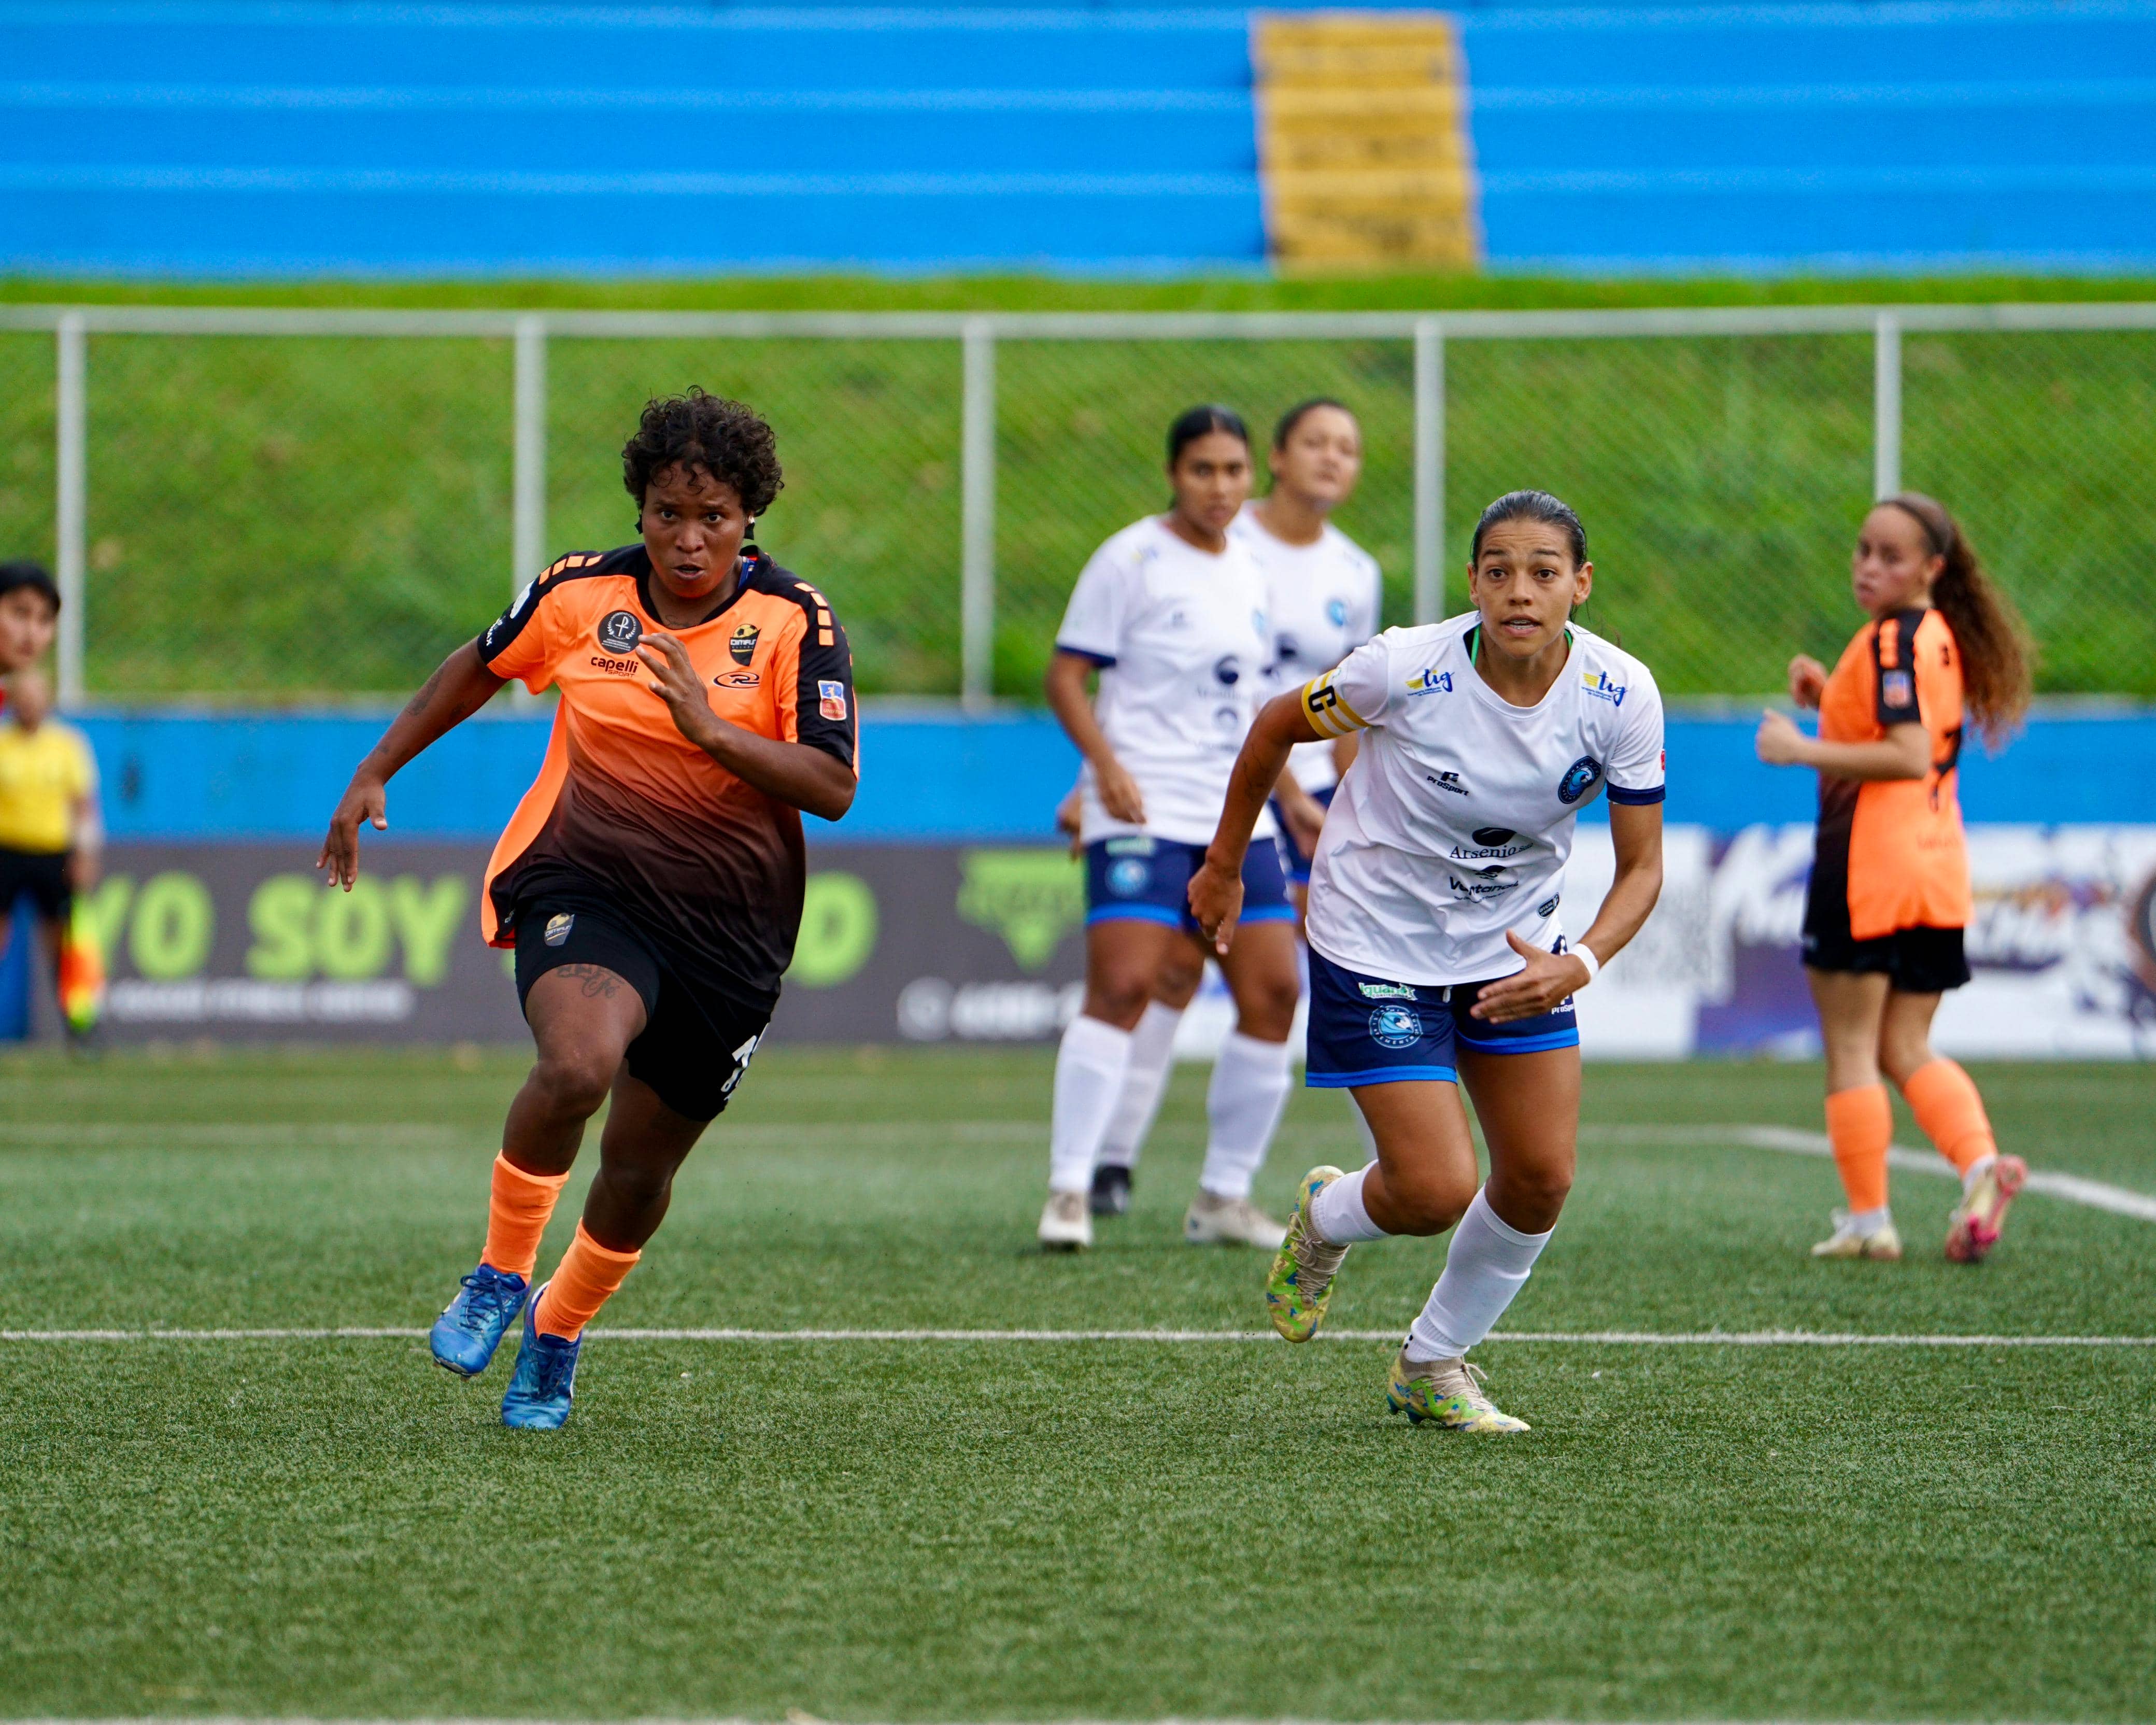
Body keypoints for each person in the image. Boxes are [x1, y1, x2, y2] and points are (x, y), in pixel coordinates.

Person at [320, 390, 857, 1429]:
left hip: (730, 931)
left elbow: (831, 785)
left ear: (752, 516)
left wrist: (710, 729)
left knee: (640, 1166)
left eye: (714, 516)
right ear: (641, 508)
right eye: (666, 511)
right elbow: (475, 668)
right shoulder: (581, 593)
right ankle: (498, 1273)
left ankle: (558, 1331)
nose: (688, 538)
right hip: (589, 882)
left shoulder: (796, 621)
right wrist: (373, 770)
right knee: (577, 1063)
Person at [1190, 490, 1666, 1433]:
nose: (1519, 590)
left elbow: (1644, 867)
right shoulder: (1404, 669)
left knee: (1539, 1178)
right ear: (1473, 582)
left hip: (1515, 953)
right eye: (1498, 570)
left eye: (1543, 571)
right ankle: (1328, 1216)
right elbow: (1273, 727)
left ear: (1582, 583)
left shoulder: (1622, 694)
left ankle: (1433, 1361)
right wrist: (1224, 865)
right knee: (1435, 1189)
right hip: (1374, 938)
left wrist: (1582, 963)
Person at [1085, 398, 1382, 1219]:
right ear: (1276, 459)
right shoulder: (1216, 536)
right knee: (1175, 970)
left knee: (1308, 975)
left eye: (1349, 449)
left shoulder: (1355, 573)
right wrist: (1091, 784)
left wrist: (1356, 805)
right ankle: (1109, 1162)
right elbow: (1142, 676)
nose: (1332, 460)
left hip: (1314, 794)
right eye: (1316, 443)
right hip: (1224, 783)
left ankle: (1380, 1161)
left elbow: (1352, 704)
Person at [1038, 404, 1303, 1252]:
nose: (1219, 487)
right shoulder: (1131, 557)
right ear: (1173, 473)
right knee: (1121, 988)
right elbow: (1066, 677)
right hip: (1143, 808)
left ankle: (1224, 1195)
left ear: (1253, 474)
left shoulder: (1257, 570)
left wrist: (1291, 795)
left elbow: (1259, 709)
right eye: (1202, 470)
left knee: (1274, 993)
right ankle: (1070, 1188)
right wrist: (1104, 771)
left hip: (1237, 815)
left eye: (1233, 470)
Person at [1756, 492, 2032, 1264]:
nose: (1869, 568)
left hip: (1868, 864)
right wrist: (1829, 701)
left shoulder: (1888, 640)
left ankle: (1868, 1219)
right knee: (1905, 1044)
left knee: (1850, 1044)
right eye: (1863, 551)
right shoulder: (1937, 635)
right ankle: (1981, 1166)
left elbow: (1907, 755)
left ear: (1932, 569)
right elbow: (1910, 731)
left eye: (1891, 556)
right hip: (1937, 862)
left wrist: (1801, 747)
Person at [0, 665, 101, 1038]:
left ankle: (80, 1029)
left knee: (61, 942)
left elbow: (84, 806)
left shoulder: (67, 745)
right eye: (21, 698)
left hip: (52, 853)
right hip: (6, 852)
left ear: (48, 700)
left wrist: (85, 854)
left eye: (35, 698)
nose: (28, 706)